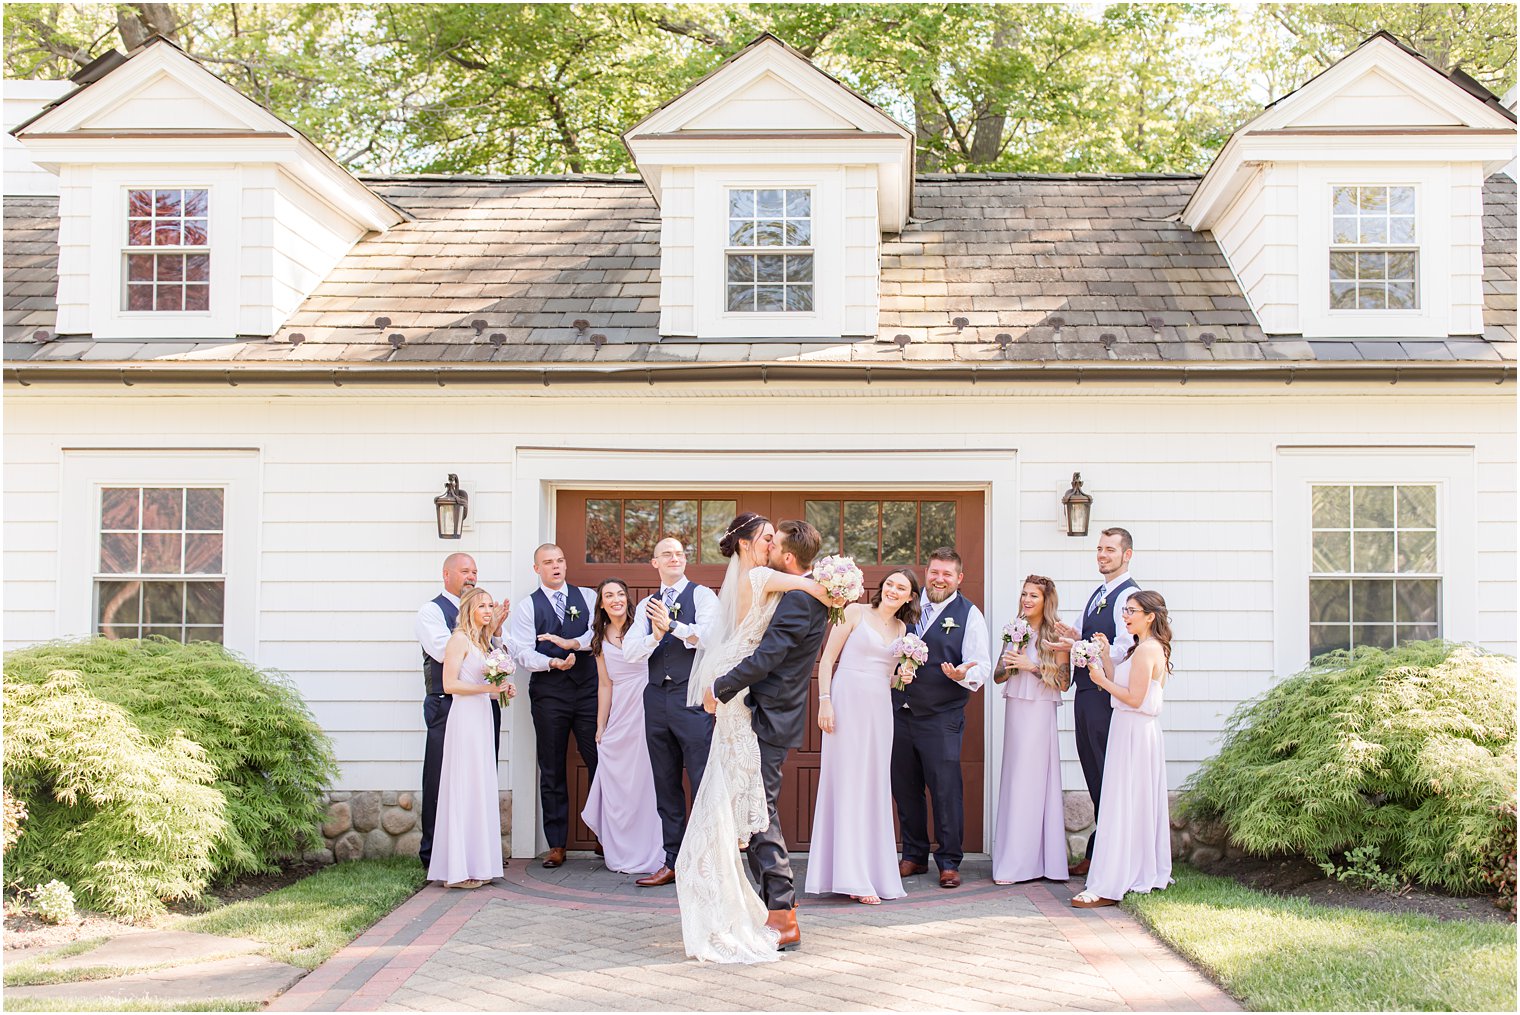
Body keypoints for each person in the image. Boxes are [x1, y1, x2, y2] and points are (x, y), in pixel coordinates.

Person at [678, 514, 837, 962]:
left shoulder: (797, 598)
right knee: (750, 809)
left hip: (766, 713)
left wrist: (720, 686)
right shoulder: (784, 586)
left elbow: (768, 656)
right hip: (752, 709)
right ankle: (772, 908)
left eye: (774, 540)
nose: (769, 546)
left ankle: (782, 913)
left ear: (786, 553)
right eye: (763, 539)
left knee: (758, 810)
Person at [805, 569, 920, 906]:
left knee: (873, 785)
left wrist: (904, 677)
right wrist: (824, 702)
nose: (893, 590)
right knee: (847, 782)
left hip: (879, 709)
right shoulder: (855, 612)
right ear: (881, 587)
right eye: (890, 584)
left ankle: (872, 871)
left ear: (910, 596)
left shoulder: (902, 630)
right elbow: (826, 660)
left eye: (902, 588)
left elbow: (890, 680)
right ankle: (849, 874)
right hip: (846, 700)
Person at [621, 537, 721, 887]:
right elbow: (630, 652)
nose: (675, 558)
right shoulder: (647, 604)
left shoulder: (702, 596)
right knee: (665, 783)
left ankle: (710, 864)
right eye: (667, 554)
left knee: (702, 780)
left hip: (690, 697)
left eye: (679, 553)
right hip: (655, 699)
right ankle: (673, 861)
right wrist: (654, 634)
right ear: (655, 563)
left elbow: (711, 637)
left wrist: (674, 627)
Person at [890, 547, 991, 890]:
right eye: (934, 572)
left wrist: (963, 673)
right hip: (899, 712)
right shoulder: (908, 606)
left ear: (959, 578)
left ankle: (949, 861)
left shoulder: (969, 614)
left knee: (945, 790)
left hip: (941, 717)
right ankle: (914, 854)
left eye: (948, 574)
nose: (939, 579)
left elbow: (982, 665)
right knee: (905, 788)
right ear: (927, 572)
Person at [1071, 590, 1174, 908]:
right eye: (1125, 610)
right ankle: (1135, 867)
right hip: (1131, 729)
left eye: (1132, 611)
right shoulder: (1139, 648)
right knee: (1129, 802)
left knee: (1123, 802)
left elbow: (1135, 698)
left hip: (1134, 731)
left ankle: (1115, 879)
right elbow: (1125, 683)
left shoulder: (1147, 651)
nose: (1125, 615)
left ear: (1150, 616)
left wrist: (1101, 681)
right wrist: (1103, 656)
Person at [507, 543, 599, 869]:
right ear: (537, 569)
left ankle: (604, 834)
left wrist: (576, 644)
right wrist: (551, 663)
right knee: (552, 766)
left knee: (599, 760)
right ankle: (557, 843)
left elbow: (597, 632)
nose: (556, 567)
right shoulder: (526, 607)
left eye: (560, 560)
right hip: (549, 694)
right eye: (548, 562)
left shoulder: (588, 597)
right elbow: (519, 651)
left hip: (588, 692)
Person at [414, 552, 506, 871]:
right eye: (465, 571)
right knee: (443, 777)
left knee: (478, 777)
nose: (471, 577)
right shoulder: (432, 611)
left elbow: (488, 657)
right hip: (446, 703)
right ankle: (436, 854)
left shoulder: (479, 621)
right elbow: (444, 651)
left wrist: (492, 632)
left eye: (475, 572)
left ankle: (475, 853)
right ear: (447, 574)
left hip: (481, 707)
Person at [1061, 528, 1140, 876]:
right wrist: (1066, 637)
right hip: (1086, 691)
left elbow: (1124, 647)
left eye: (1110, 549)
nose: (1102, 555)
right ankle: (1098, 849)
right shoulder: (1098, 593)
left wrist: (1091, 649)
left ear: (1127, 555)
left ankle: (1109, 856)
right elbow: (1080, 635)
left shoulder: (1130, 595)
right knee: (1094, 773)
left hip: (1105, 694)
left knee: (1107, 774)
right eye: (1099, 549)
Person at [428, 586, 516, 889]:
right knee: (464, 786)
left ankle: (479, 863)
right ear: (468, 609)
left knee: (479, 786)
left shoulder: (482, 644)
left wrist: (501, 690)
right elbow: (450, 684)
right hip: (464, 719)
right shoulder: (459, 641)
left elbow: (484, 682)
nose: (488, 612)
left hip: (481, 715)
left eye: (490, 606)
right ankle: (458, 868)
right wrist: (487, 691)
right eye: (482, 607)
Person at [580, 579, 665, 875]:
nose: (615, 599)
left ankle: (653, 851)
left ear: (627, 599)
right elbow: (605, 684)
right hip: (620, 713)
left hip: (648, 705)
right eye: (608, 595)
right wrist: (601, 725)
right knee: (619, 783)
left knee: (647, 781)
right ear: (601, 603)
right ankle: (621, 850)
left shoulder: (640, 626)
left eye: (620, 594)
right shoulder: (598, 639)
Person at [991, 575, 1070, 885]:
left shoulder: (1056, 633)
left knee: (1032, 782)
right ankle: (1014, 858)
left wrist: (1031, 666)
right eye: (1024, 594)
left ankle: (1033, 863)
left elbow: (1063, 682)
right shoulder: (1015, 629)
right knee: (1015, 781)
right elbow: (998, 675)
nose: (1026, 600)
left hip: (1039, 712)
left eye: (1033, 596)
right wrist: (1011, 664)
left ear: (1045, 601)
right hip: (1016, 710)